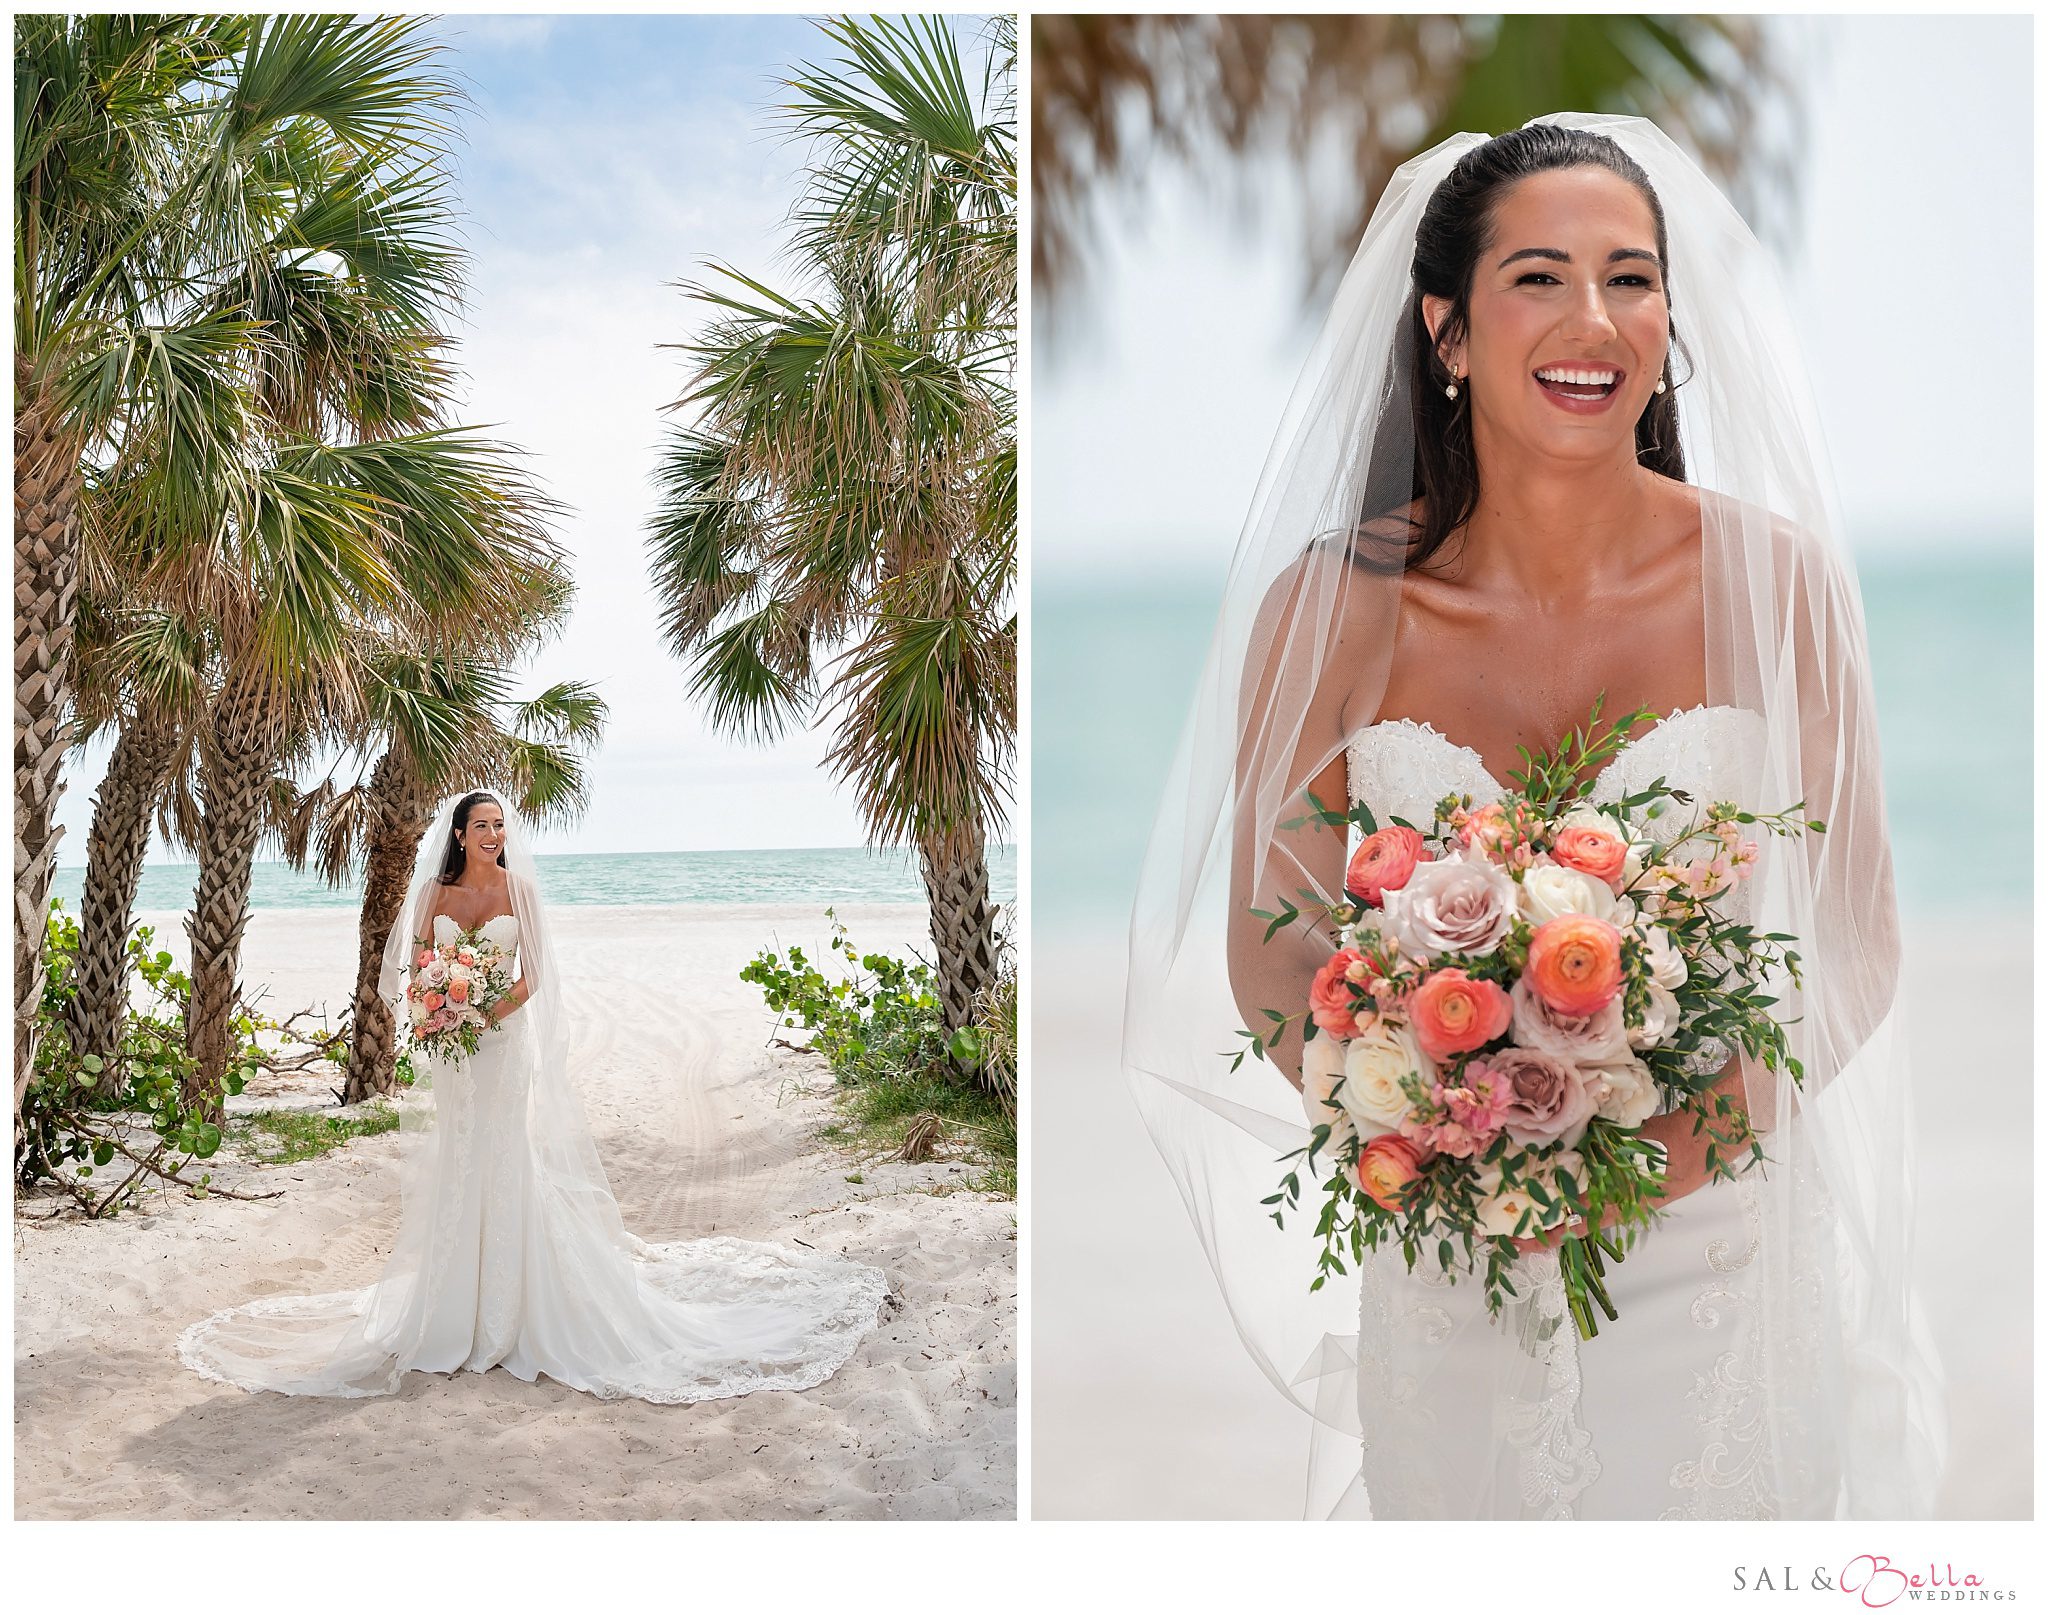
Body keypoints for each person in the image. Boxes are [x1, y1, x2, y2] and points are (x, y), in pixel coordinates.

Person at [1123, 114, 1945, 1519]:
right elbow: (1273, 955)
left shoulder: (1775, 584)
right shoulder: (1333, 614)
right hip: (1456, 1252)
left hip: (1720, 1242)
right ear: (1447, 331)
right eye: (1540, 278)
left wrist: (1658, 1161)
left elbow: (1857, 937)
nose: (1595, 319)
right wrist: (1426, 1123)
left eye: (1632, 277)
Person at [180, 792, 887, 1403]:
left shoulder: (522, 894)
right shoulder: (430, 895)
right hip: (455, 1052)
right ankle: (450, 1311)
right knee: (460, 1158)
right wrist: (436, 1007)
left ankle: (516, 1310)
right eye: (481, 826)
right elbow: (417, 965)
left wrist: (482, 1011)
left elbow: (535, 975)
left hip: (501, 1043)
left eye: (499, 826)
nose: (494, 835)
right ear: (458, 835)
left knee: (503, 1153)